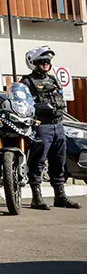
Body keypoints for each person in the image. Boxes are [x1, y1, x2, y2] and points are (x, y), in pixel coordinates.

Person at [21, 46, 80, 210]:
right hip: (42, 125)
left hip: (58, 125)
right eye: (42, 62)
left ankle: (60, 196)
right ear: (34, 63)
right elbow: (24, 103)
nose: (46, 64)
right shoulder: (27, 81)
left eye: (48, 61)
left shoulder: (53, 80)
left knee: (59, 161)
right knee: (38, 161)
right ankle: (36, 197)